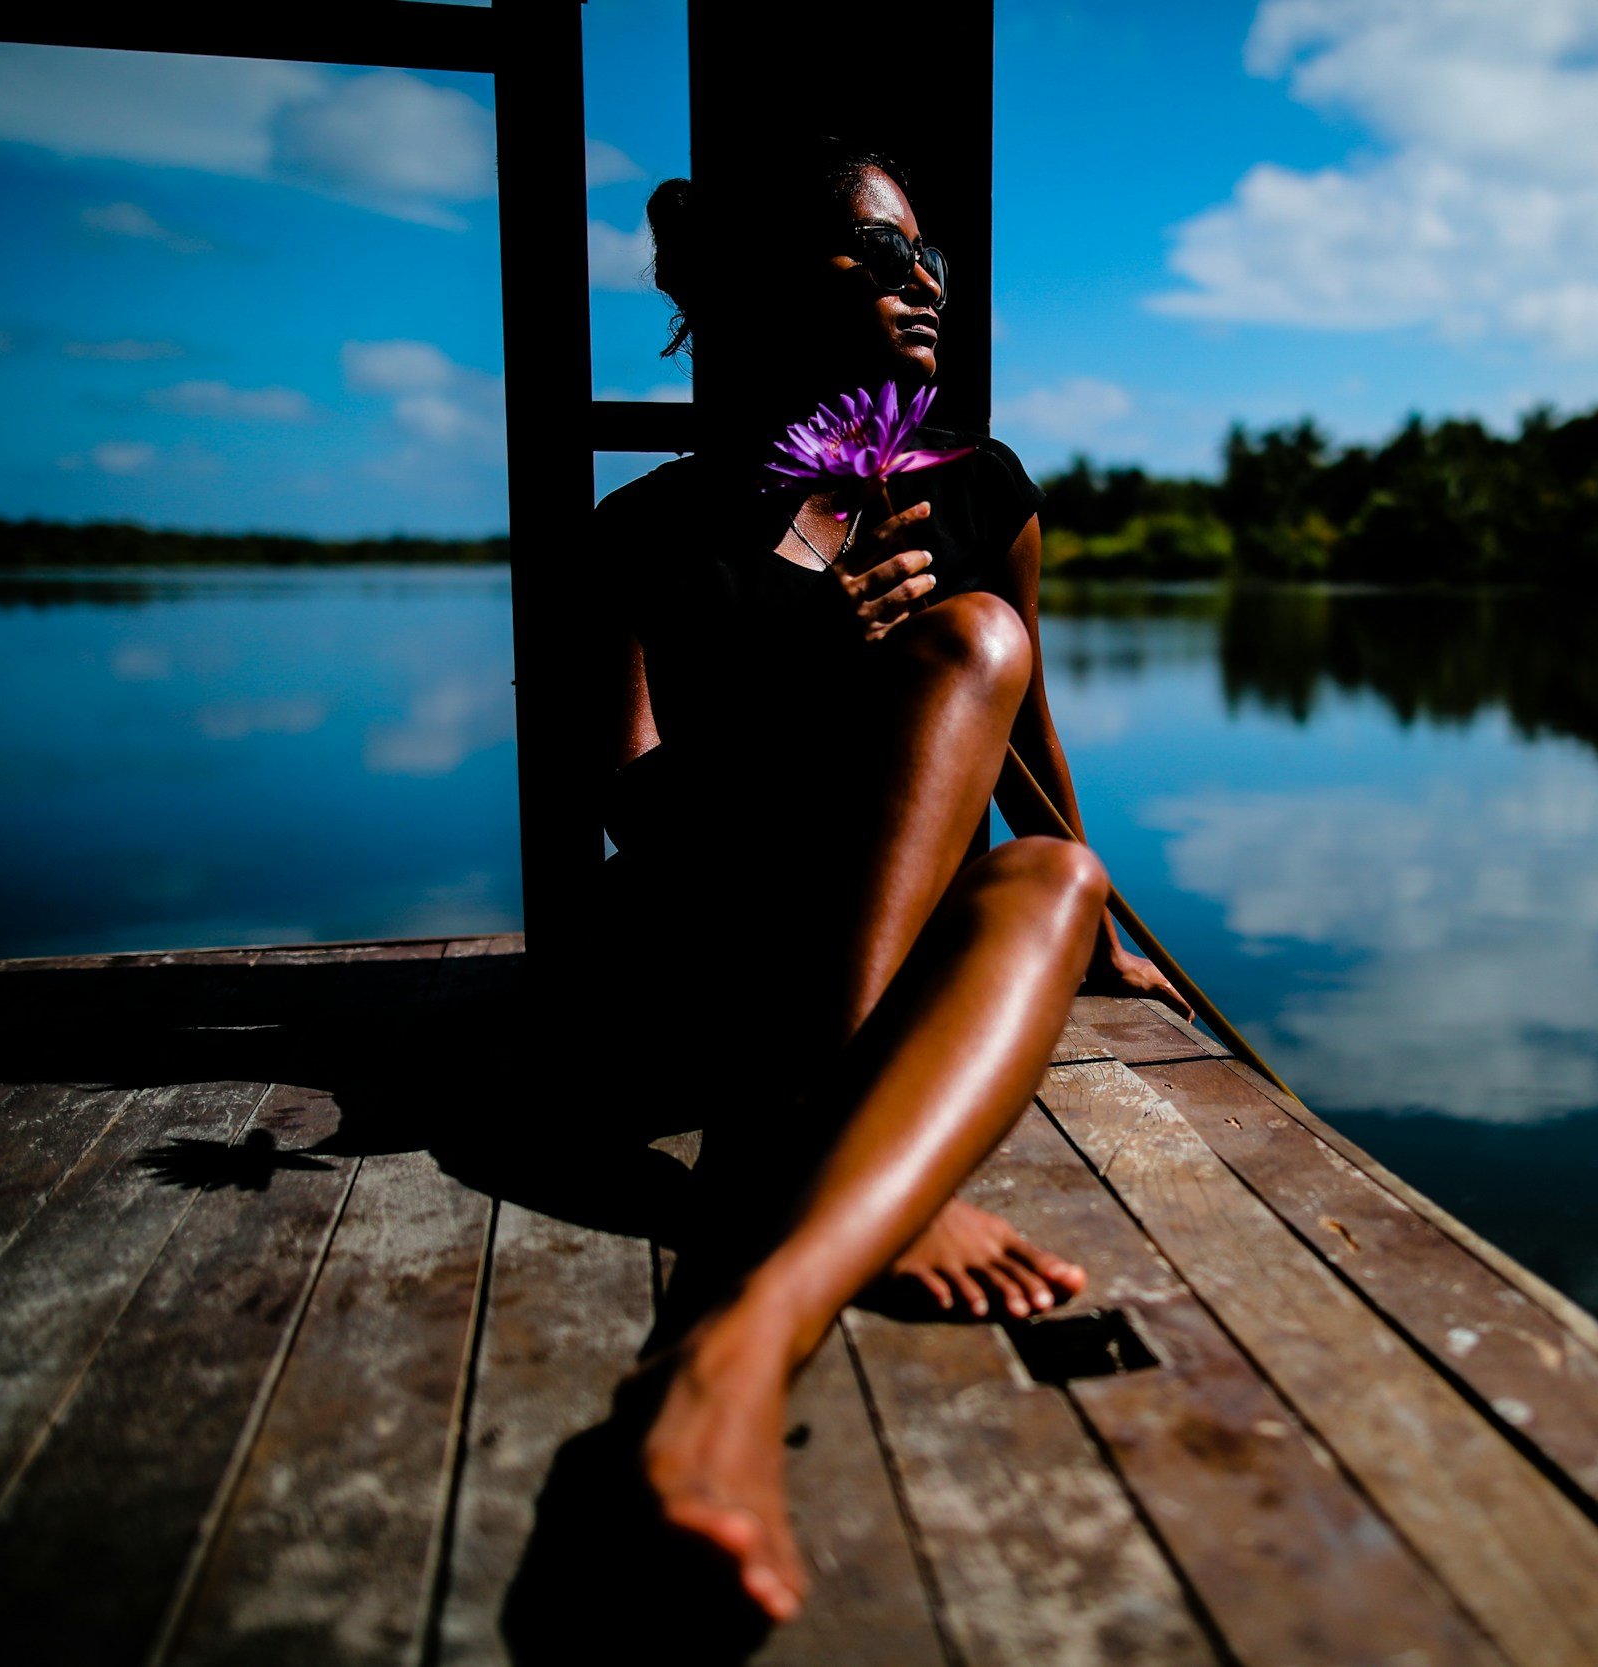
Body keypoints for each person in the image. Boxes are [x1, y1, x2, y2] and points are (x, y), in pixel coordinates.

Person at [589, 140, 1190, 1624]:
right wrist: (808, 665)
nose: (926, 285)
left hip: (893, 954)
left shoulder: (979, 489)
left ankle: (741, 1323)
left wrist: (1111, 939)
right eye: (881, 253)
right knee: (973, 640)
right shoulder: (652, 531)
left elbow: (1026, 742)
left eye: (932, 259)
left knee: (1054, 875)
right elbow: (632, 809)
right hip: (725, 947)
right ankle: (800, 1232)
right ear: (773, 282)